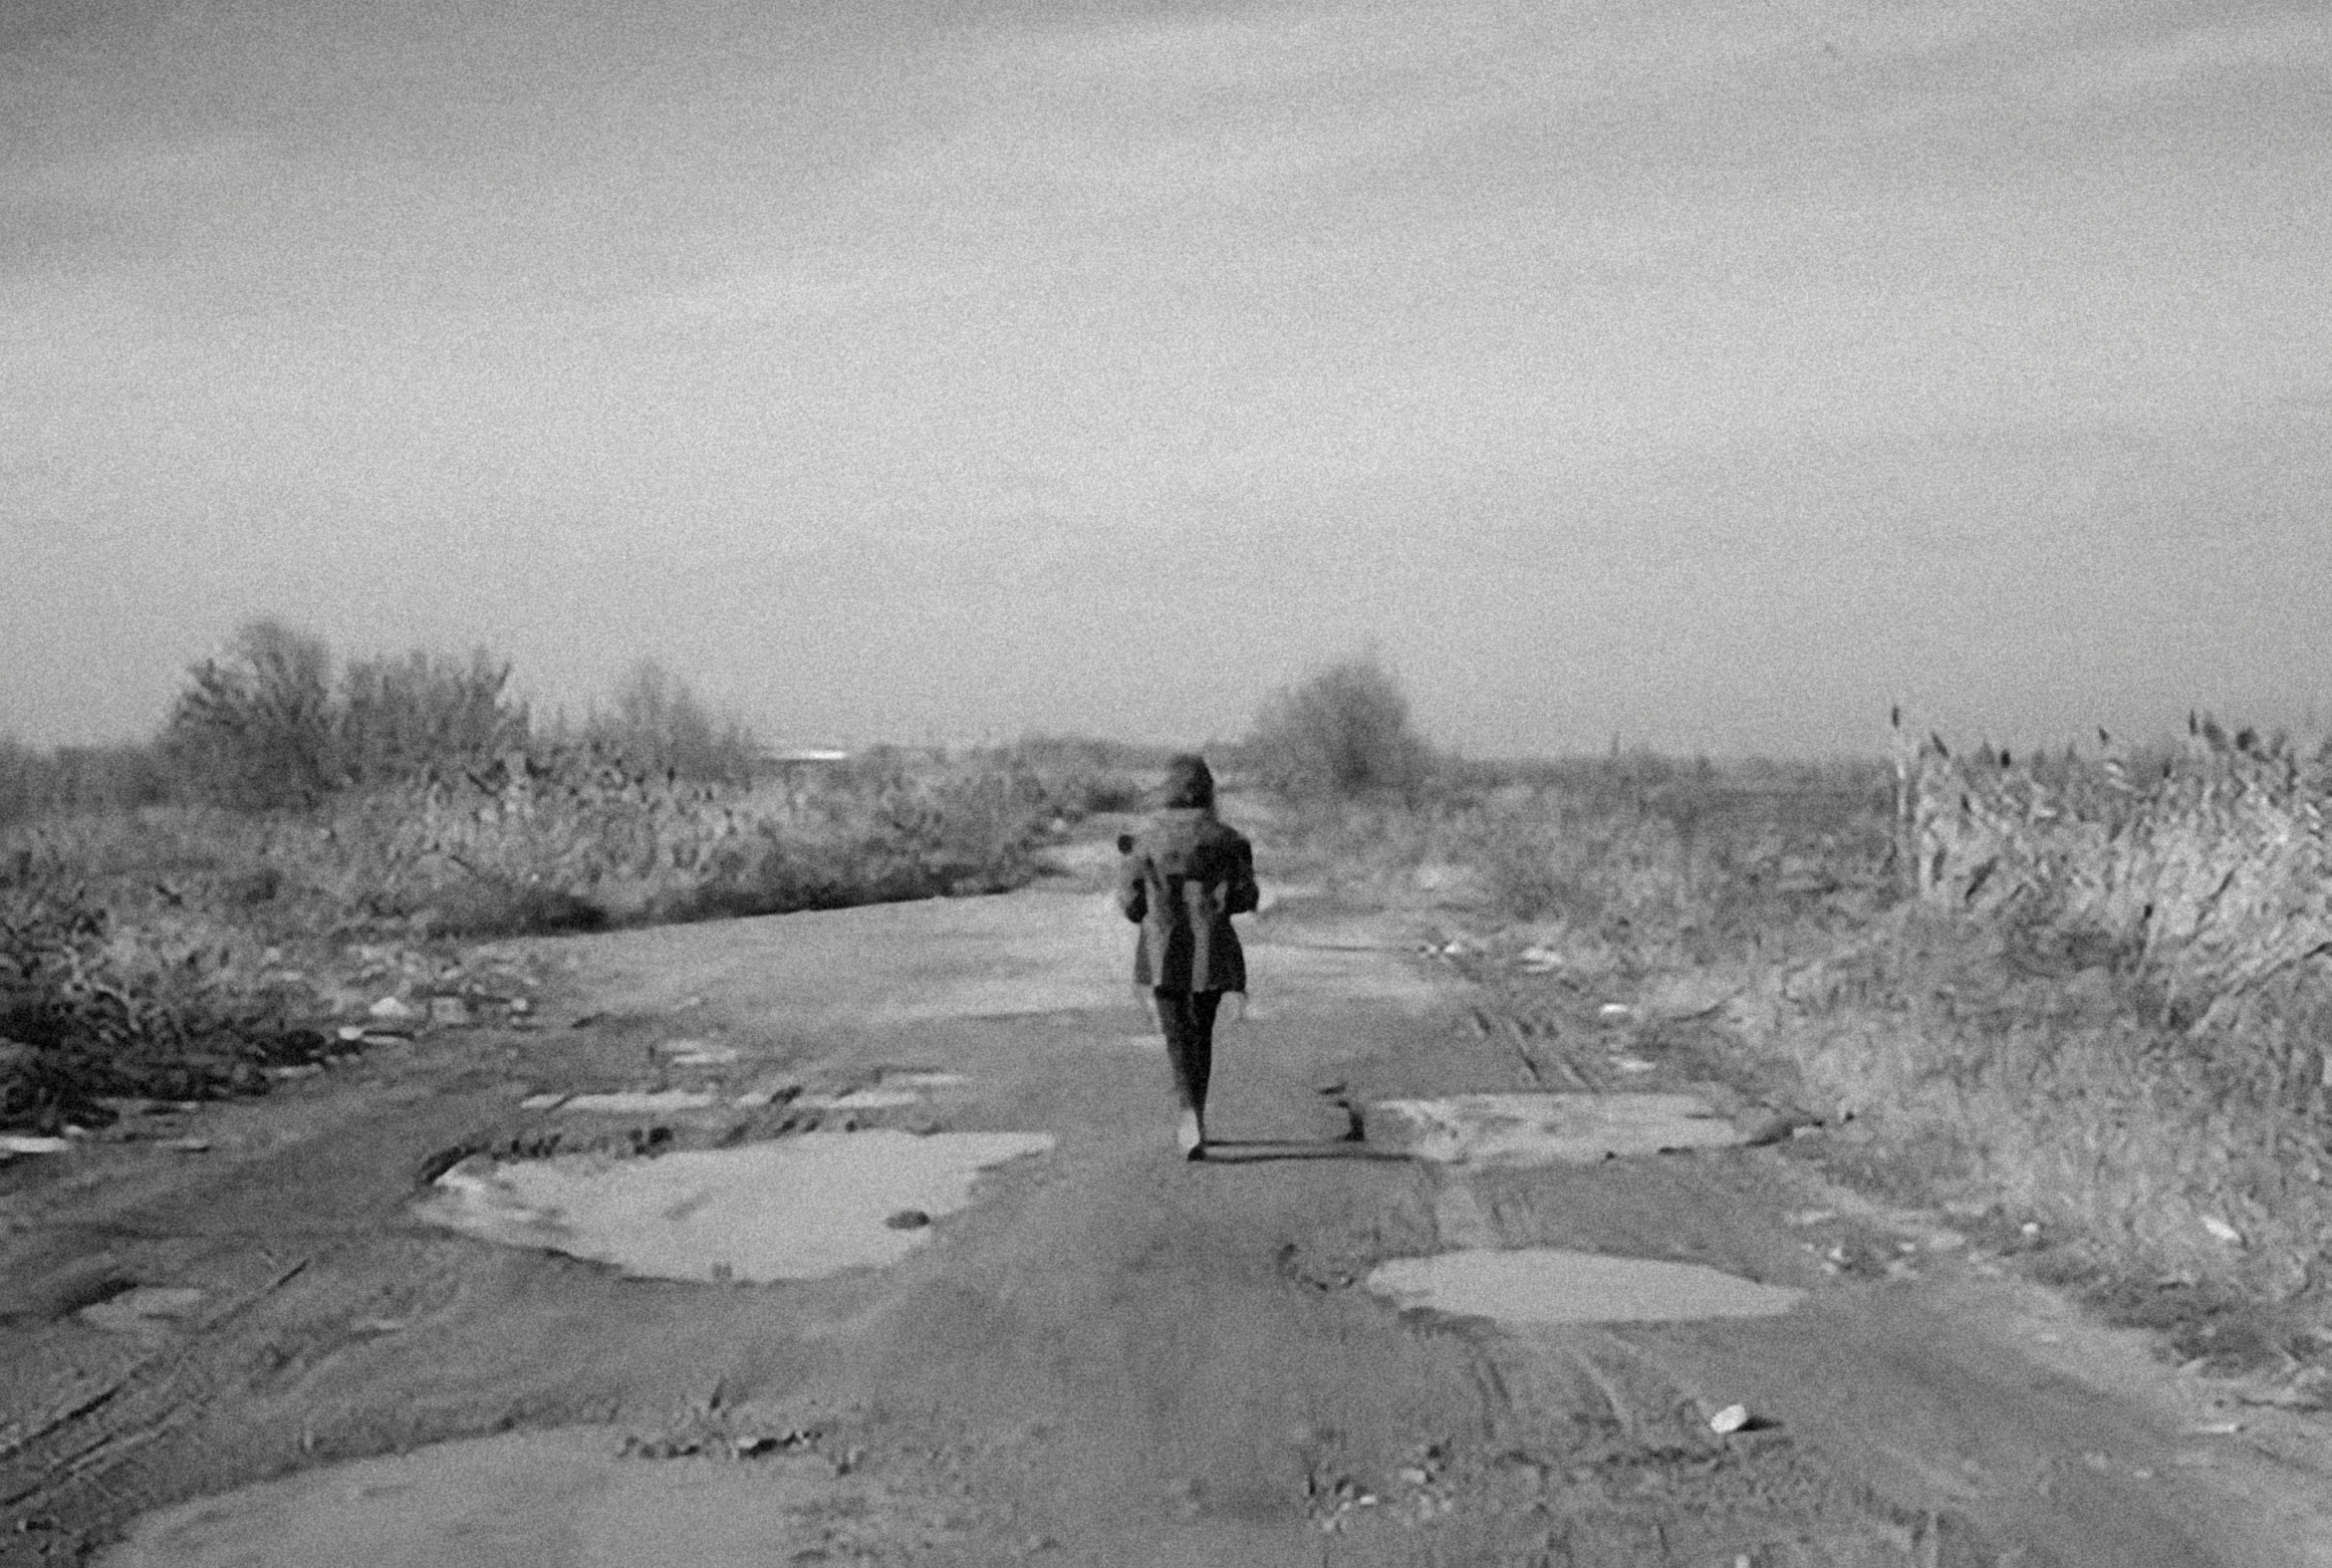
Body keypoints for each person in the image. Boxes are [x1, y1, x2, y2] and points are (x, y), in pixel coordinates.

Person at [1115, 753, 1258, 1161]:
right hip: (1212, 948)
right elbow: (1246, 897)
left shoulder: (1145, 840)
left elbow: (1130, 904)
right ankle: (1196, 1116)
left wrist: (1149, 910)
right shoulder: (1229, 840)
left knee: (1177, 1036)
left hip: (1162, 949)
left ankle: (1187, 1114)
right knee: (1202, 1034)